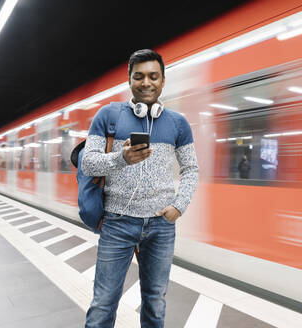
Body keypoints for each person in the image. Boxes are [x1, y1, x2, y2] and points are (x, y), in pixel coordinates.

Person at [82, 49, 199, 327]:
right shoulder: (108, 116)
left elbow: (191, 169)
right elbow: (88, 163)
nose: (146, 82)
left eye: (153, 76)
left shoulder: (177, 123)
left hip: (160, 226)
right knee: (103, 304)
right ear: (129, 80)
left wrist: (179, 206)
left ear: (163, 81)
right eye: (139, 76)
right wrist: (121, 159)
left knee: (155, 303)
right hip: (117, 224)